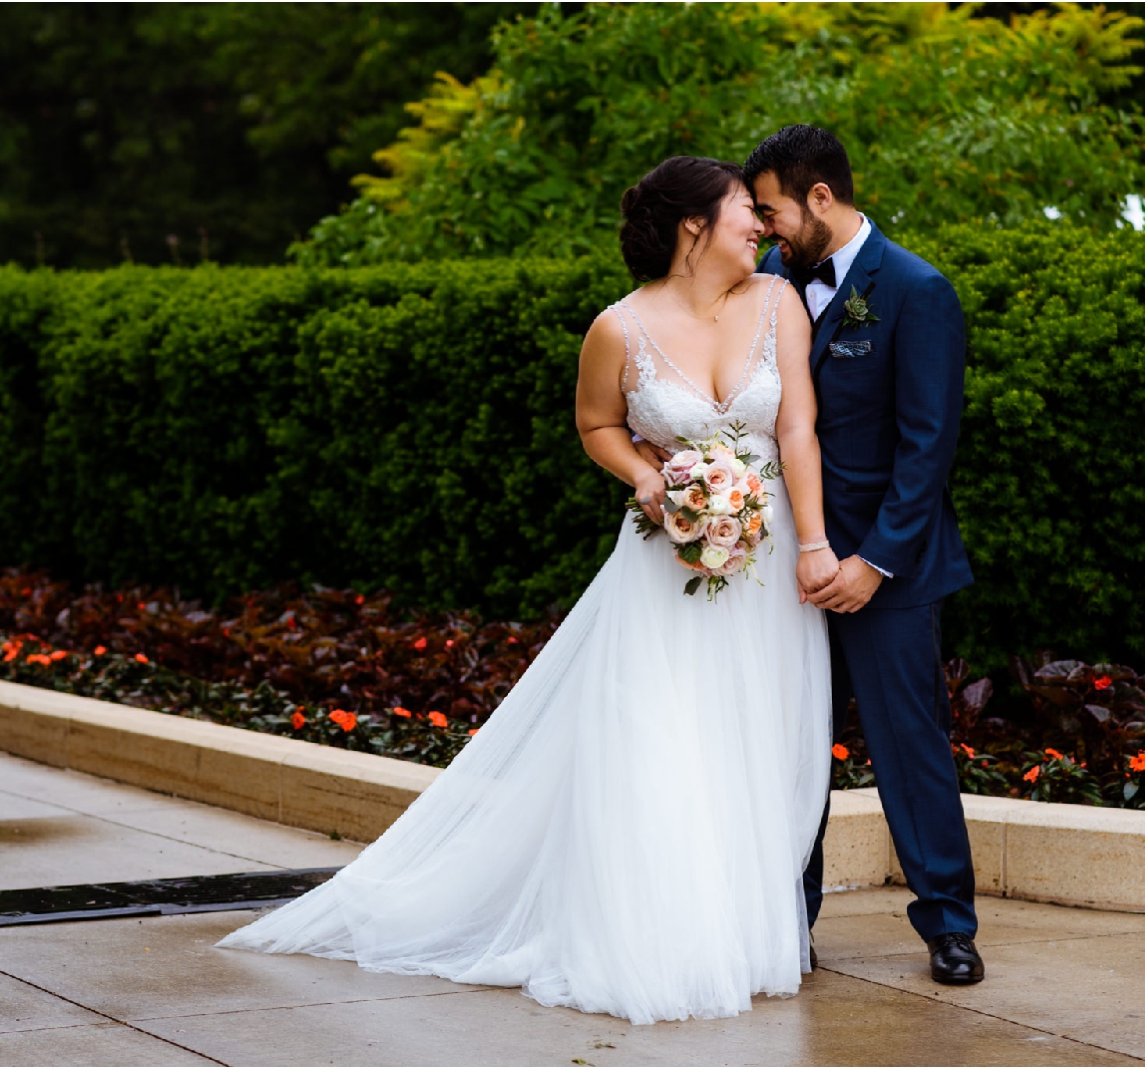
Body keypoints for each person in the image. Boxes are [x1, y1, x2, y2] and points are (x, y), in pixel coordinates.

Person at [217, 155, 836, 1025]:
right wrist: (646, 479)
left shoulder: (779, 304)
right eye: (745, 209)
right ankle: (665, 937)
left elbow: (800, 426)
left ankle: (742, 928)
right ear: (695, 225)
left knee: (758, 748)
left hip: (767, 571)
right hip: (666, 571)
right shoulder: (617, 328)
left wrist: (813, 542)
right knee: (665, 746)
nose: (761, 226)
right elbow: (597, 423)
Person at [744, 124, 983, 985]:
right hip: (785, 568)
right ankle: (785, 923)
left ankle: (949, 925)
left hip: (892, 570)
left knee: (909, 746)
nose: (766, 230)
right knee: (792, 744)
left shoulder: (918, 290)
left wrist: (871, 561)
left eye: (772, 211)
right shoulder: (768, 285)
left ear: (820, 197)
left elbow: (929, 445)